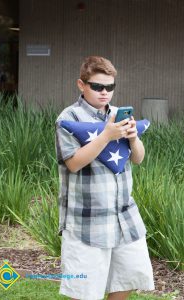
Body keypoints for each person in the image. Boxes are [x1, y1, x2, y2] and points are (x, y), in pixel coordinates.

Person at [55, 56, 155, 300]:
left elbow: (138, 158)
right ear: (81, 85)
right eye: (97, 86)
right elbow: (74, 164)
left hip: (124, 216)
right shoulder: (69, 118)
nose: (104, 93)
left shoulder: (118, 114)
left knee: (126, 278)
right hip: (87, 219)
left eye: (109, 87)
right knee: (85, 290)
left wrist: (132, 137)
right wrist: (106, 136)